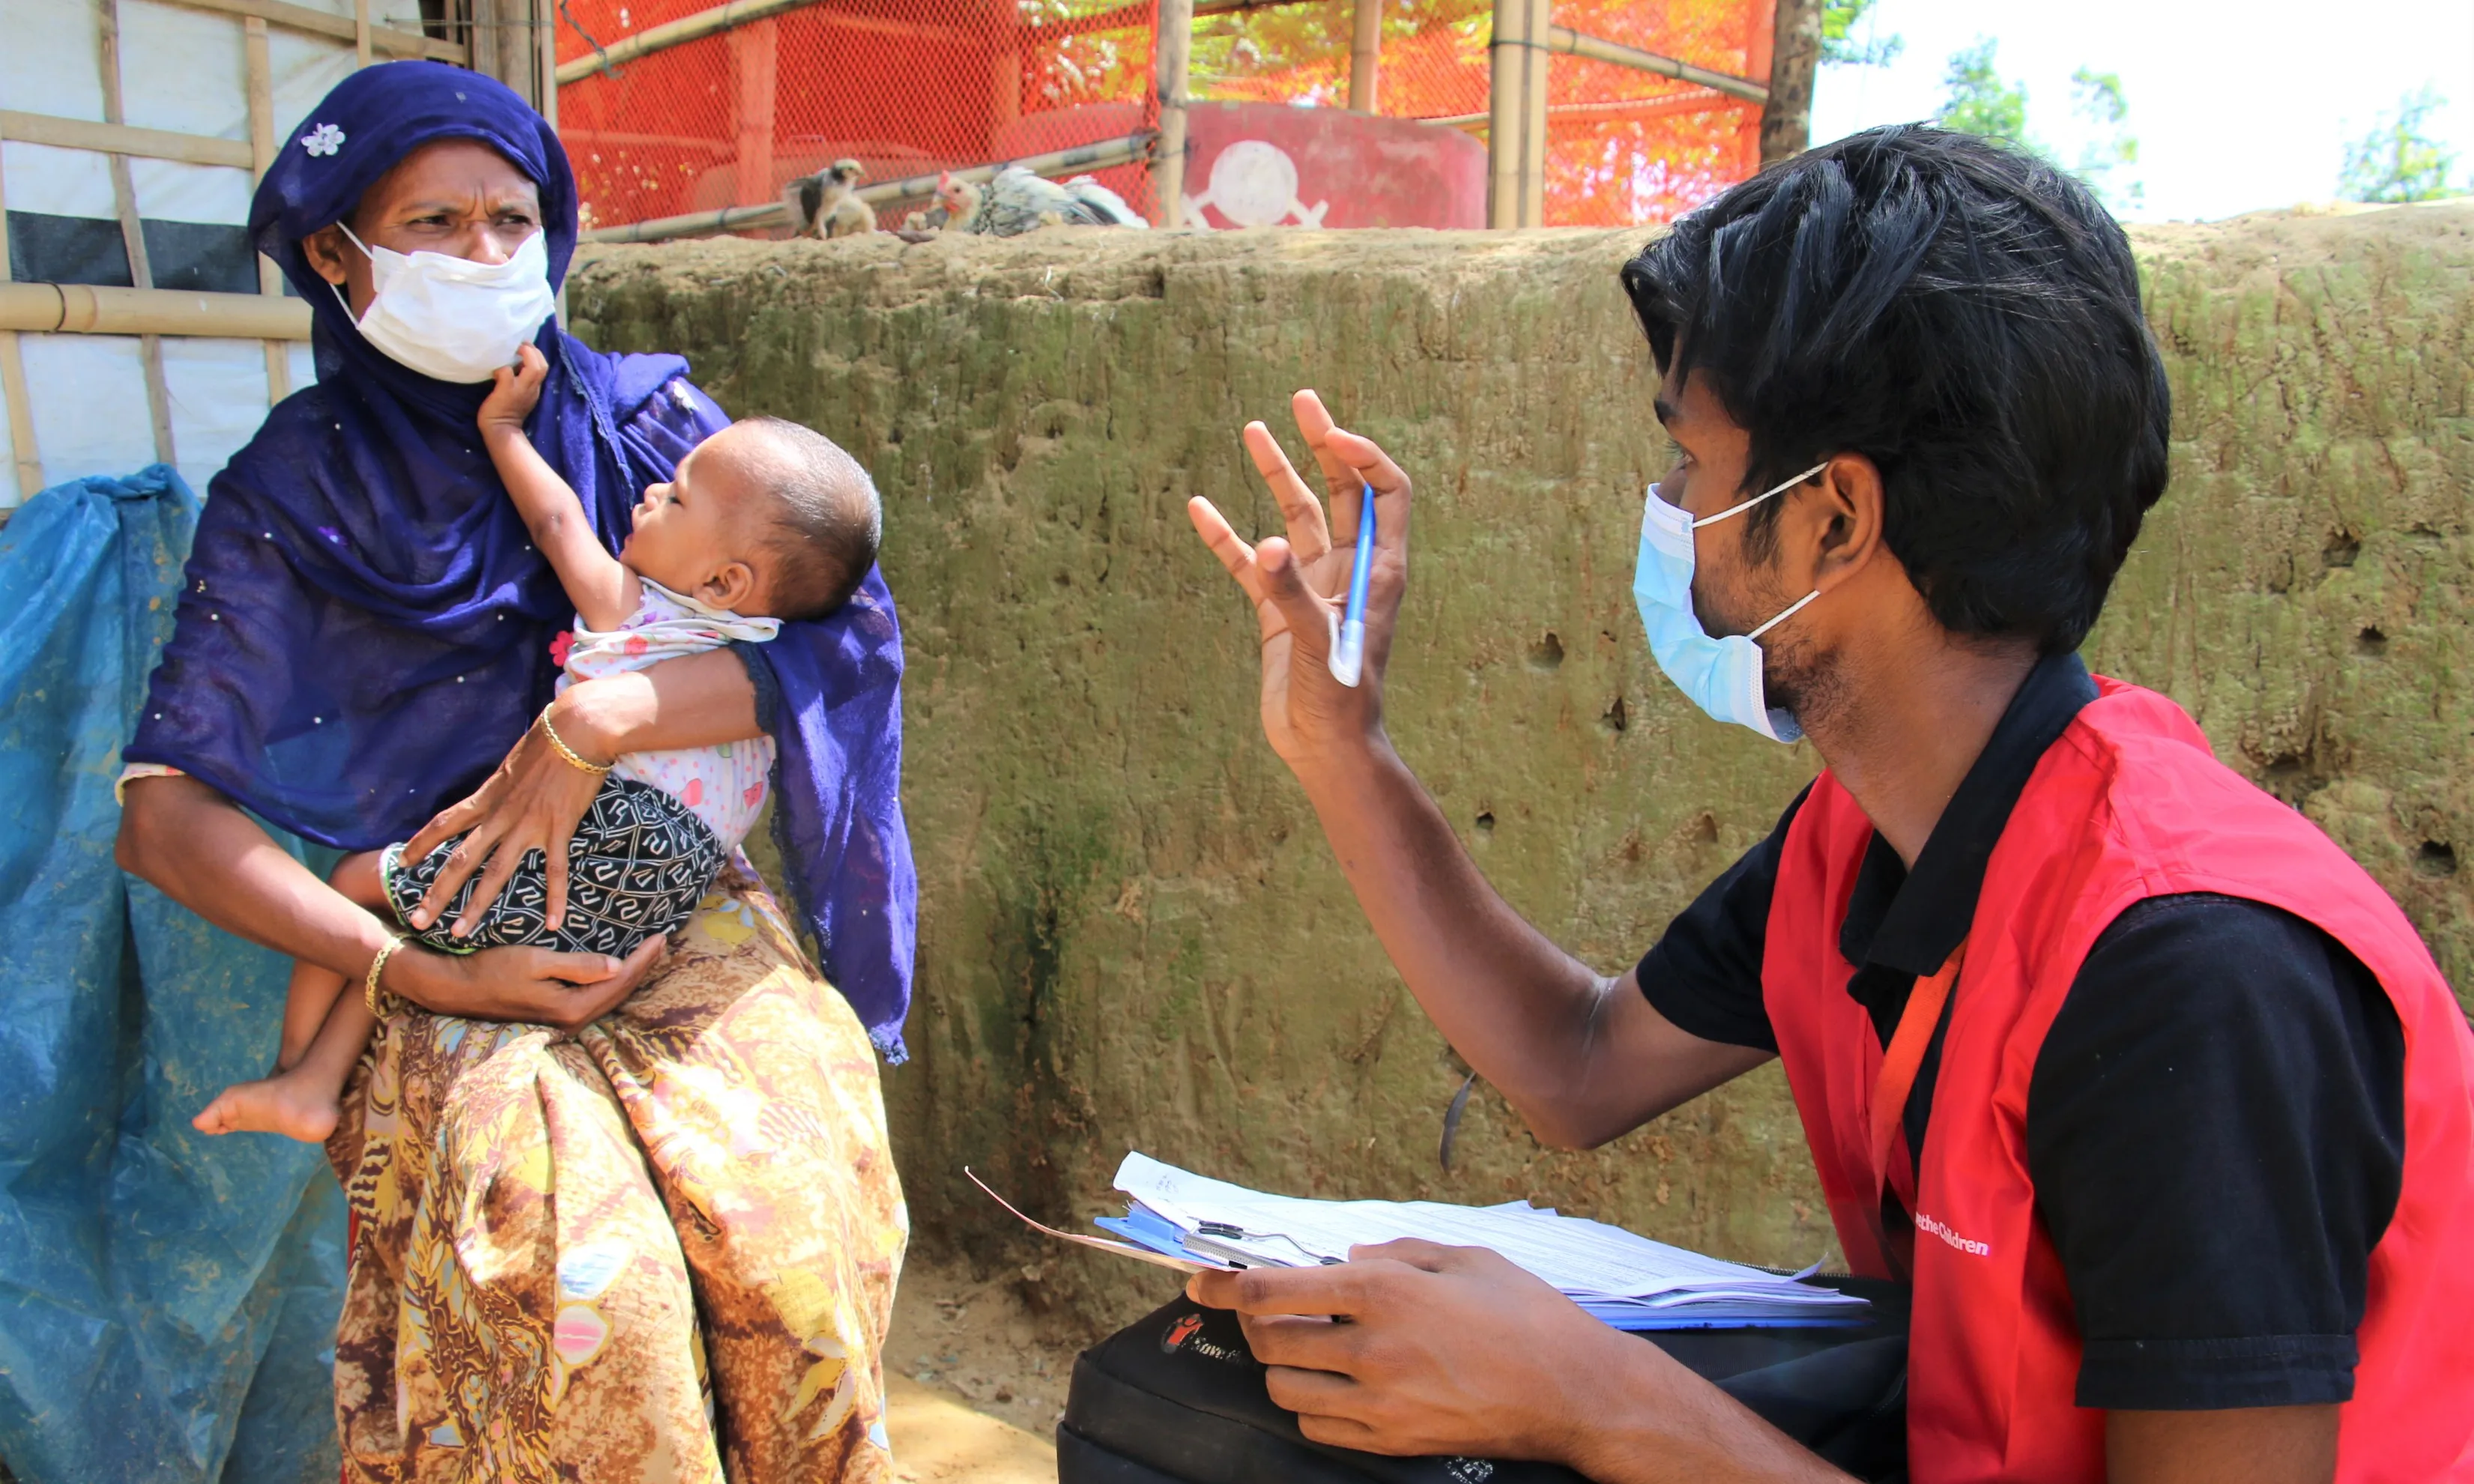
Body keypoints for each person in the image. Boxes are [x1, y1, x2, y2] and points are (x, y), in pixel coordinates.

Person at [1181, 127, 2474, 1483]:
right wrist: (1342, 746)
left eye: (1688, 461)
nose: (1668, 507)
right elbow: (1574, 1061)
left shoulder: (2188, 969)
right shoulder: (1871, 842)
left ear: (1833, 523)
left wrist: (1596, 1400)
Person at [115, 61, 913, 1483]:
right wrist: (416, 974)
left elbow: (840, 642)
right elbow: (168, 817)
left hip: (664, 894)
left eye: (513, 216)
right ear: (333, 254)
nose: (489, 256)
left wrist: (595, 728)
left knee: (796, 1242)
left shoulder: (652, 429)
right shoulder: (293, 494)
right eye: (435, 223)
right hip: (439, 932)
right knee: (588, 1295)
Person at [193, 339, 885, 1144]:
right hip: (652, 896)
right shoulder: (766, 666)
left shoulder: (637, 613)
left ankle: (301, 1075)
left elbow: (557, 522)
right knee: (419, 918)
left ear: (722, 582)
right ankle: (312, 1080)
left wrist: (503, 430)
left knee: (352, 884)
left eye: (677, 498)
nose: (651, 489)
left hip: (592, 848)